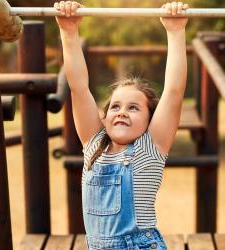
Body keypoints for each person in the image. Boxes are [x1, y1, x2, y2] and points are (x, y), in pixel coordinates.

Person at [55, 1, 189, 249]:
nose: (122, 112)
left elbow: (173, 91)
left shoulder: (150, 147)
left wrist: (175, 31)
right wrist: (69, 32)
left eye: (134, 107)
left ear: (151, 121)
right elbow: (79, 87)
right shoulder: (93, 144)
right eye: (115, 106)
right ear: (104, 118)